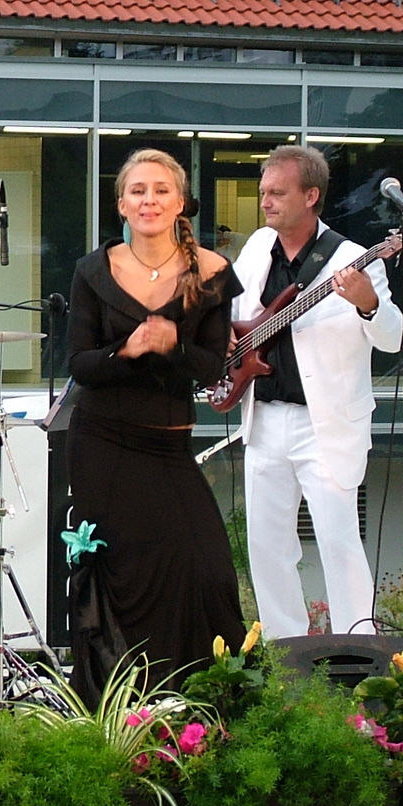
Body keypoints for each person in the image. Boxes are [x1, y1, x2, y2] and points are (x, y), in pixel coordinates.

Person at [67, 148, 246, 685]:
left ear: (181, 202)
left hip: (167, 446)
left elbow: (214, 367)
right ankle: (116, 700)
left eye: (161, 190)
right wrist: (127, 351)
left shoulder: (212, 273)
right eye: (138, 191)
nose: (149, 200)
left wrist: (170, 344)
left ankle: (196, 693)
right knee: (118, 569)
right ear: (121, 203)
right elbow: (78, 363)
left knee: (205, 566)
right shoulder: (92, 271)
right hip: (101, 444)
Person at [231, 145, 403, 638]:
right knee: (267, 546)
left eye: (277, 193)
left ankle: (358, 650)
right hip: (263, 416)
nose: (266, 202)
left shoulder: (352, 260)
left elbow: (391, 338)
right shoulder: (257, 248)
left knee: (338, 540)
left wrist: (369, 304)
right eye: (264, 192)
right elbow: (235, 312)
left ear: (311, 196)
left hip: (324, 423)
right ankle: (287, 654)